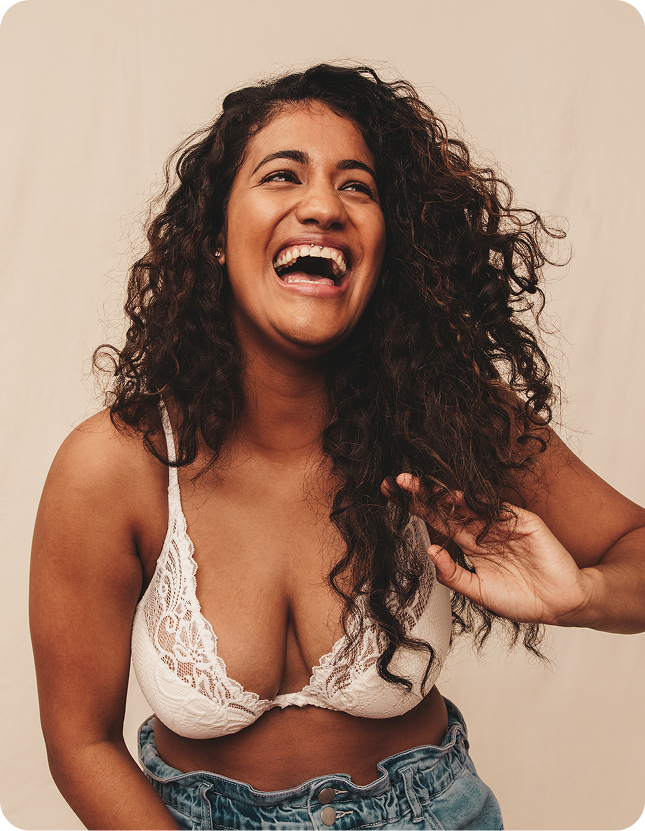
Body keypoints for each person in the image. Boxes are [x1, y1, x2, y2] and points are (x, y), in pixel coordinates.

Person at [29, 63, 645, 831]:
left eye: (357, 186)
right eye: (282, 175)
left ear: (388, 250)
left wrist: (581, 595)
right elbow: (80, 742)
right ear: (216, 237)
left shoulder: (452, 422)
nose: (322, 205)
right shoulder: (115, 466)